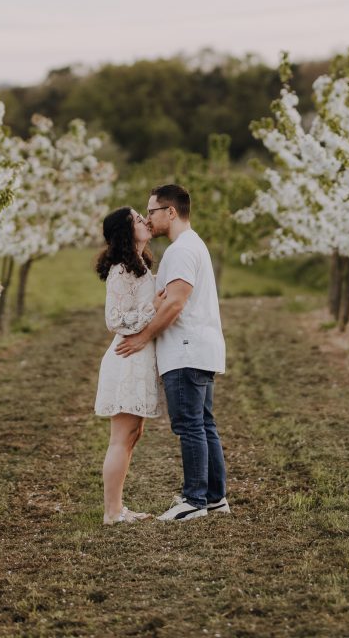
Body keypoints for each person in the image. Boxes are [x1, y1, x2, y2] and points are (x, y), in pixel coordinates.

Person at [116, 184, 229, 522]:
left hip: (185, 349)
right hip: (200, 348)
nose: (148, 218)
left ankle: (195, 499)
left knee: (190, 425)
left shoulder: (181, 250)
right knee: (204, 423)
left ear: (171, 212)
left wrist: (142, 337)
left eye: (151, 211)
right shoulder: (191, 246)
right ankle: (215, 497)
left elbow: (176, 302)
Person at [94, 206, 166, 524]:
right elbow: (115, 320)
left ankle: (119, 507)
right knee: (121, 439)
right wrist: (154, 306)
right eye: (137, 219)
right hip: (126, 359)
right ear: (126, 231)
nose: (144, 221)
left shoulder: (137, 266)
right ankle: (112, 512)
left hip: (138, 359)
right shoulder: (121, 270)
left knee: (132, 435)